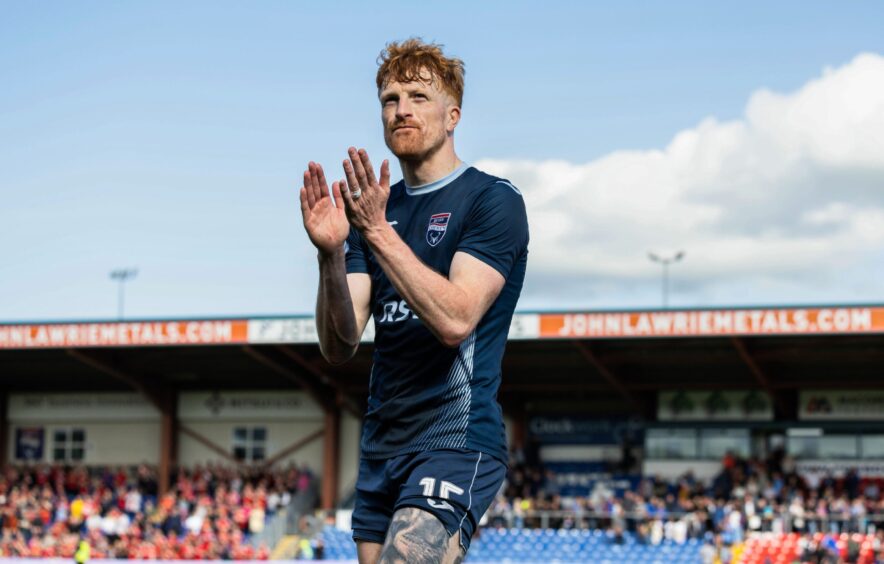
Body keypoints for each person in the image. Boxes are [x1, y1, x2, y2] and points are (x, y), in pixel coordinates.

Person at [300, 38, 529, 564]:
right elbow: (340, 344)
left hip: (456, 438)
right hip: (383, 444)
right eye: (390, 99)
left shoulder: (491, 200)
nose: (401, 109)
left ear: (453, 116)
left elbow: (455, 320)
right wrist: (331, 254)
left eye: (418, 97)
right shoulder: (372, 214)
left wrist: (377, 232)